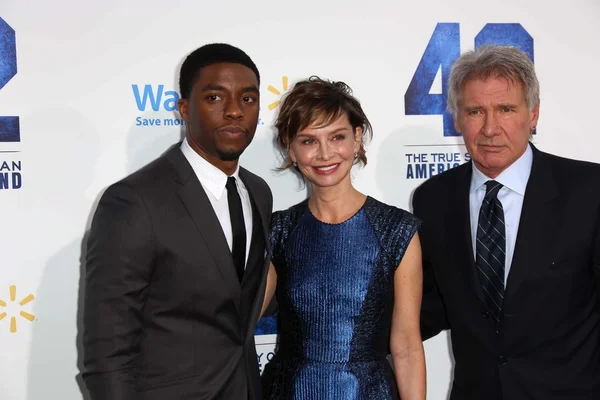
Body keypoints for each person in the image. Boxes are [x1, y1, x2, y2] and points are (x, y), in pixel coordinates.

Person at [82, 43, 273, 400]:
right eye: (215, 98)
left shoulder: (258, 192)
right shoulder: (134, 201)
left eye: (247, 99)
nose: (234, 112)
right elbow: (107, 354)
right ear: (184, 108)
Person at [413, 45, 600, 399]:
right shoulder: (433, 199)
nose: (490, 128)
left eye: (506, 109)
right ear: (456, 118)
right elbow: (430, 308)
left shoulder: (589, 192)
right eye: (475, 111)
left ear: (533, 115)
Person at [261, 77, 425, 399]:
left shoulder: (396, 230)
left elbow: (406, 346)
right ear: (290, 149)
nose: (324, 154)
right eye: (308, 141)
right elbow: (242, 316)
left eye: (337, 137)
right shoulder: (277, 230)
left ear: (357, 139)